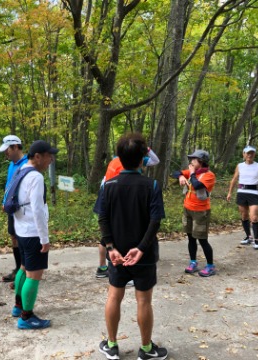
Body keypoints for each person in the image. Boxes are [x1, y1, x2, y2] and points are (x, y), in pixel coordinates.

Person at [97, 133, 168, 360]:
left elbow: (103, 219)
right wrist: (141, 248)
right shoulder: (152, 185)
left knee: (114, 297)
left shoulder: (108, 185)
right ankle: (146, 350)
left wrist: (110, 247)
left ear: (119, 158)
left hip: (116, 254)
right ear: (142, 160)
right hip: (143, 256)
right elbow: (155, 221)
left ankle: (111, 345)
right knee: (144, 300)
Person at [10, 140, 58, 330]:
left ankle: (18, 306)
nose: (51, 160)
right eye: (49, 156)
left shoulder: (21, 170)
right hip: (33, 233)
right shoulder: (36, 177)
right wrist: (44, 239)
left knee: (23, 268)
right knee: (34, 275)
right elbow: (37, 210)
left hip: (22, 230)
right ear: (37, 157)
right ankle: (26, 317)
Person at [93, 148, 160, 279]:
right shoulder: (138, 169)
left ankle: (102, 267)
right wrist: (148, 149)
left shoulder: (113, 161)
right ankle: (126, 269)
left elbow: (105, 180)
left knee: (106, 237)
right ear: (140, 160)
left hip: (108, 195)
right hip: (121, 198)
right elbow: (155, 160)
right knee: (126, 233)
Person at [172, 149, 217, 277]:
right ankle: (193, 262)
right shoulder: (194, 172)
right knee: (191, 238)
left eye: (194, 159)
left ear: (201, 161)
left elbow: (197, 186)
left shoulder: (209, 175)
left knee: (202, 239)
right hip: (188, 209)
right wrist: (181, 176)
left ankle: (210, 266)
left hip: (201, 211)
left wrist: (191, 174)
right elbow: (175, 173)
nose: (191, 162)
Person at [0, 135, 28, 284]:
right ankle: (18, 268)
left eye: (7, 149)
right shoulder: (12, 164)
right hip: (11, 208)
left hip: (21, 209)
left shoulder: (27, 164)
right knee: (14, 237)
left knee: (23, 238)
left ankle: (26, 270)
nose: (5, 153)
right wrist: (4, 201)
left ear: (15, 147)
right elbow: (9, 185)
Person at [226, 146, 258, 250]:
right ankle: (248, 236)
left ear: (254, 154)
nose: (249, 155)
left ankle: (256, 240)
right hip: (241, 192)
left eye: (252, 153)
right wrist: (229, 193)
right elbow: (234, 179)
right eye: (247, 153)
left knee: (254, 217)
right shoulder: (239, 166)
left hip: (254, 193)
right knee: (244, 216)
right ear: (243, 154)